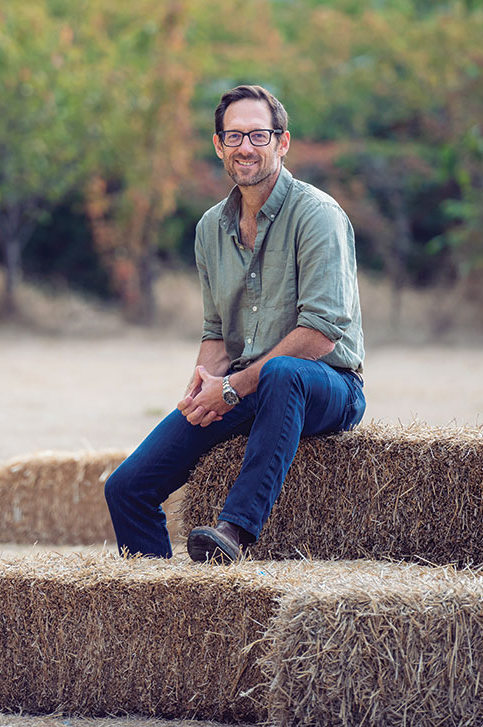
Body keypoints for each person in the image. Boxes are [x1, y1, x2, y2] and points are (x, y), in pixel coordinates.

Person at [104, 84, 366, 563]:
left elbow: (322, 333)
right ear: (218, 145)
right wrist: (205, 385)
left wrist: (233, 387)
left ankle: (235, 533)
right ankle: (162, 611)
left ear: (282, 143)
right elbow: (215, 331)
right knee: (126, 487)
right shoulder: (210, 228)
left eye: (259, 136)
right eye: (235, 136)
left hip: (326, 384)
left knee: (281, 373)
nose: (246, 147)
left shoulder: (318, 215)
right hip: (246, 385)